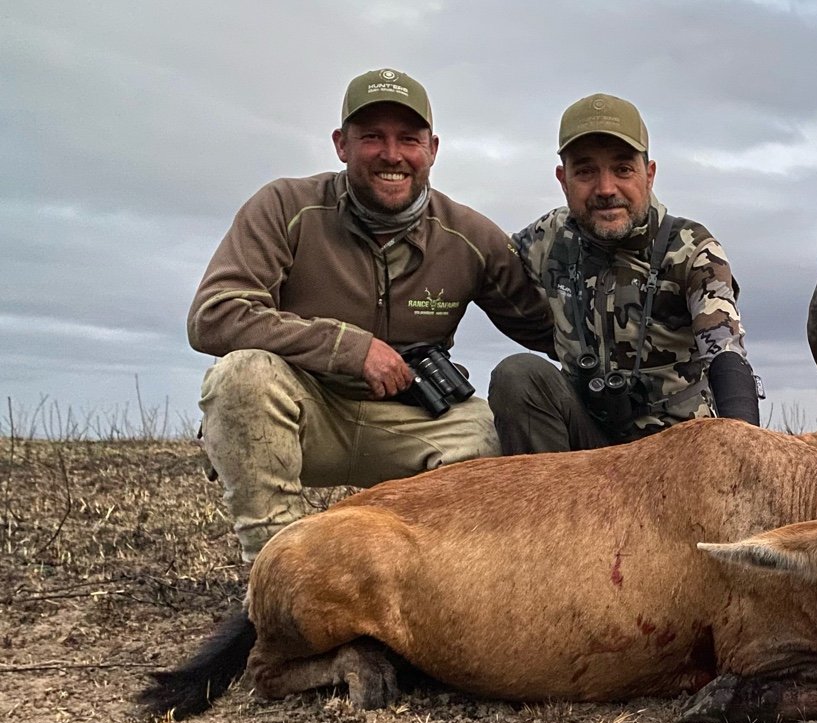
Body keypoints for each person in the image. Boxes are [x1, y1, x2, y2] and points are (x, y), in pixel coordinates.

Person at [188, 68, 554, 563]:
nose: (392, 154)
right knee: (241, 378)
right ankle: (279, 572)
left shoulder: (470, 236)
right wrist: (349, 349)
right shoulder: (285, 206)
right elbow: (214, 314)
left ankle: (430, 577)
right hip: (308, 411)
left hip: (410, 419)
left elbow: (548, 330)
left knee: (487, 435)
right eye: (372, 138)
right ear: (341, 144)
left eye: (408, 139)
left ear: (433, 148)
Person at [488, 93, 761, 453]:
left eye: (623, 169)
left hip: (678, 449)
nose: (605, 189)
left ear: (649, 175)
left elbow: (724, 350)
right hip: (589, 441)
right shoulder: (549, 237)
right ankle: (550, 506)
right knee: (518, 375)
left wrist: (747, 446)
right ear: (563, 179)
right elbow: (480, 258)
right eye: (585, 171)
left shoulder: (693, 248)